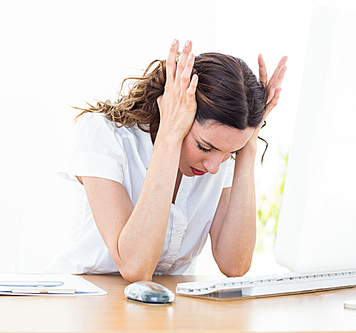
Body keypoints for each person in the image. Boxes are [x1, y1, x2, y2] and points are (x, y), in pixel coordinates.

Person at [45, 40, 287, 282]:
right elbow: (135, 267)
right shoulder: (104, 136)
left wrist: (249, 144)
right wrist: (170, 135)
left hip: (161, 311)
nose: (214, 167)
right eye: (204, 147)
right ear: (177, 111)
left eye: (230, 153)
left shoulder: (221, 154)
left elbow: (235, 264)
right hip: (83, 302)